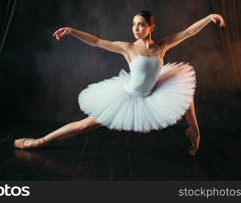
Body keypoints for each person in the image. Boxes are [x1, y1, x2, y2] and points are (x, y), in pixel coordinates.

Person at [14, 11, 226, 156]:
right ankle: (39, 141)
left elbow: (188, 32)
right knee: (83, 126)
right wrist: (72, 31)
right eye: (133, 24)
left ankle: (194, 130)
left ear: (151, 26)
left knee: (183, 87)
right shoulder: (128, 48)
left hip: (152, 93)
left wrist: (209, 18)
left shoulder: (161, 46)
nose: (136, 28)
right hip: (129, 96)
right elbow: (97, 41)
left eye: (141, 24)